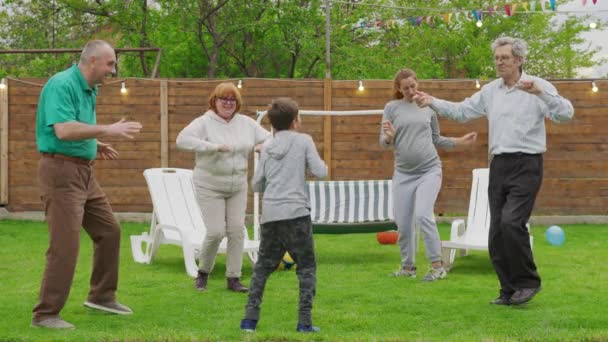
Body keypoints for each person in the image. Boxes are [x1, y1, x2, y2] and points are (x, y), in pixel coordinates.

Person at [414, 37, 574, 305]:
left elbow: (566, 113)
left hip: (527, 163)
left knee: (512, 222)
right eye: (497, 58)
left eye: (505, 58)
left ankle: (528, 282)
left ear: (519, 60)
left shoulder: (537, 87)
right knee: (497, 232)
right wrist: (432, 101)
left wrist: (541, 93)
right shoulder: (490, 91)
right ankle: (508, 289)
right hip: (499, 165)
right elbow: (462, 112)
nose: (499, 62)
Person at [32, 40, 143, 329]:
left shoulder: (90, 89)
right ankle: (45, 314)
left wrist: (95, 142)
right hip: (60, 173)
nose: (113, 70)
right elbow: (64, 129)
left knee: (109, 231)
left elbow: (76, 128)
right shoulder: (62, 84)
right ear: (92, 61)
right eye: (110, 64)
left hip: (84, 173)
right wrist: (109, 128)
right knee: (65, 245)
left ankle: (102, 296)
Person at [381, 68, 477, 282]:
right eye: (405, 88)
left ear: (418, 84)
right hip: (403, 174)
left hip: (429, 170)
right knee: (403, 223)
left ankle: (437, 267)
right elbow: (383, 141)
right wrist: (389, 137)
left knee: (423, 215)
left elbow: (436, 139)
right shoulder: (391, 108)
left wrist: (459, 142)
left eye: (413, 86)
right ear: (399, 88)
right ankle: (408, 268)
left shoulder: (428, 107)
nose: (410, 90)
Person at [240, 98, 327, 333]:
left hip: (271, 216)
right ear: (295, 121)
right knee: (306, 268)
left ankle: (249, 321)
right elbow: (321, 172)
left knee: (262, 269)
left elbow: (257, 185)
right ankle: (304, 323)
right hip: (297, 214)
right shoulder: (304, 141)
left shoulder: (267, 147)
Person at [176, 82, 270, 293]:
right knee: (216, 231)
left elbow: (270, 139)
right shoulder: (204, 122)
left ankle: (233, 278)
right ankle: (203, 274)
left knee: (237, 230)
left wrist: (261, 146)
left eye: (232, 100)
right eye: (223, 99)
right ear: (214, 101)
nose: (228, 103)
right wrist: (213, 147)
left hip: (237, 185)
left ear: (237, 103)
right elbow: (182, 140)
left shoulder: (246, 123)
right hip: (210, 185)